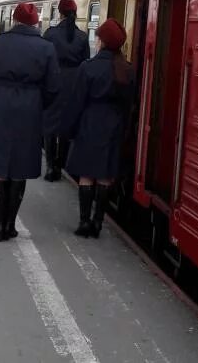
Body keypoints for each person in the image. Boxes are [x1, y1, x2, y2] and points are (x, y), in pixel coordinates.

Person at [0, 2, 60, 241]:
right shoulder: (47, 48)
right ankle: (10, 225)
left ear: (14, 19)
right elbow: (53, 88)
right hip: (29, 108)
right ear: (34, 22)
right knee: (19, 166)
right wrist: (39, 106)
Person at [61, 18, 134, 238]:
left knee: (86, 175)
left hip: (90, 122)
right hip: (114, 126)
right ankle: (98, 223)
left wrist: (69, 129)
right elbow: (129, 104)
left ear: (101, 41)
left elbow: (77, 101)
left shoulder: (88, 67)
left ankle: (84, 222)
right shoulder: (127, 70)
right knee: (104, 177)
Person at [43, 0, 90, 181]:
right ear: (75, 14)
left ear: (60, 13)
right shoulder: (83, 37)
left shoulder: (50, 34)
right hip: (73, 85)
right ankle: (60, 163)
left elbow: (44, 60)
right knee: (65, 125)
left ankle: (50, 167)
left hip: (53, 82)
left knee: (49, 126)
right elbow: (85, 62)